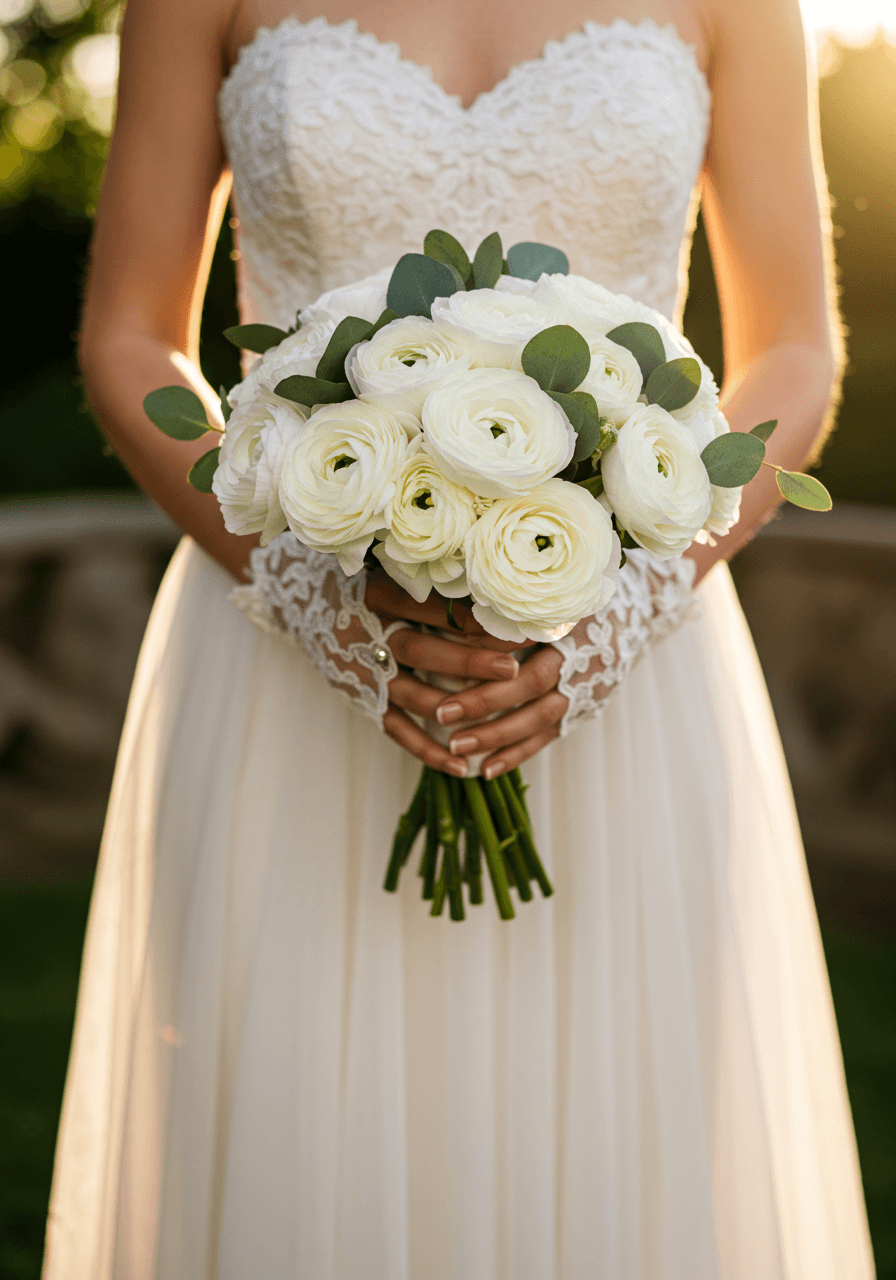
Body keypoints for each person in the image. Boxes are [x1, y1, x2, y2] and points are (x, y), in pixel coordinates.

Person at [43, 0, 875, 1276]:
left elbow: (792, 351)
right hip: (289, 665)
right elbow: (129, 334)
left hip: (625, 679)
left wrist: (626, 605)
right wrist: (308, 585)